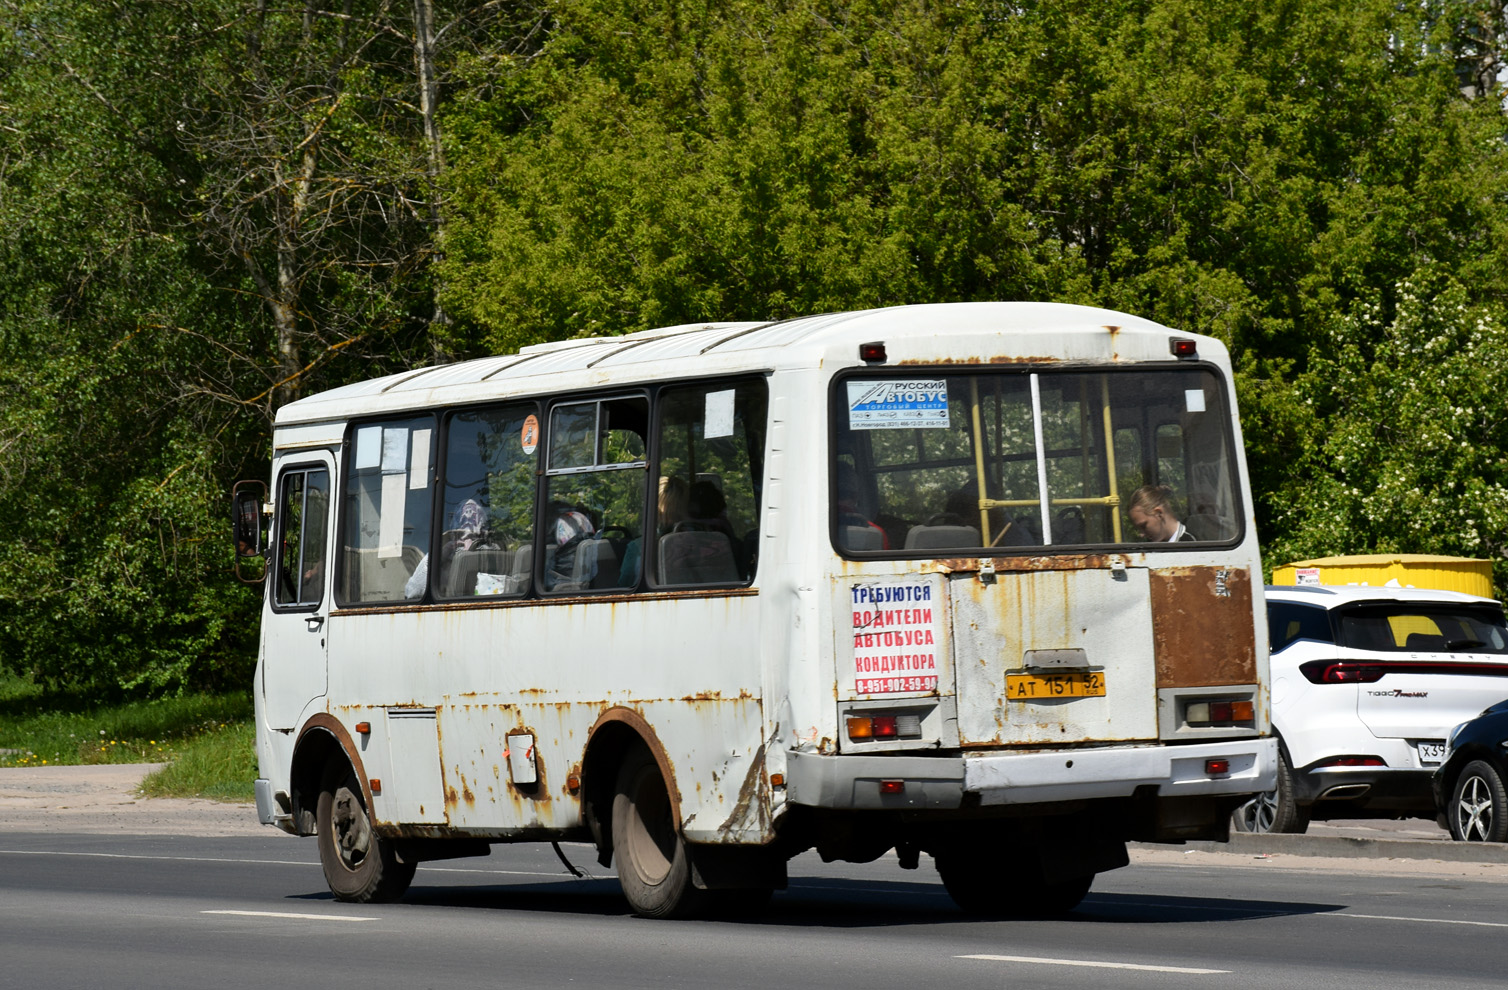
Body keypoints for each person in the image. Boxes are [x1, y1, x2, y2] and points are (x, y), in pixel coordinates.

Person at [1128, 484, 1197, 543]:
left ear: (1158, 513)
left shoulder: (1191, 544)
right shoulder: (1155, 549)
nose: (1141, 534)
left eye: (1143, 526)